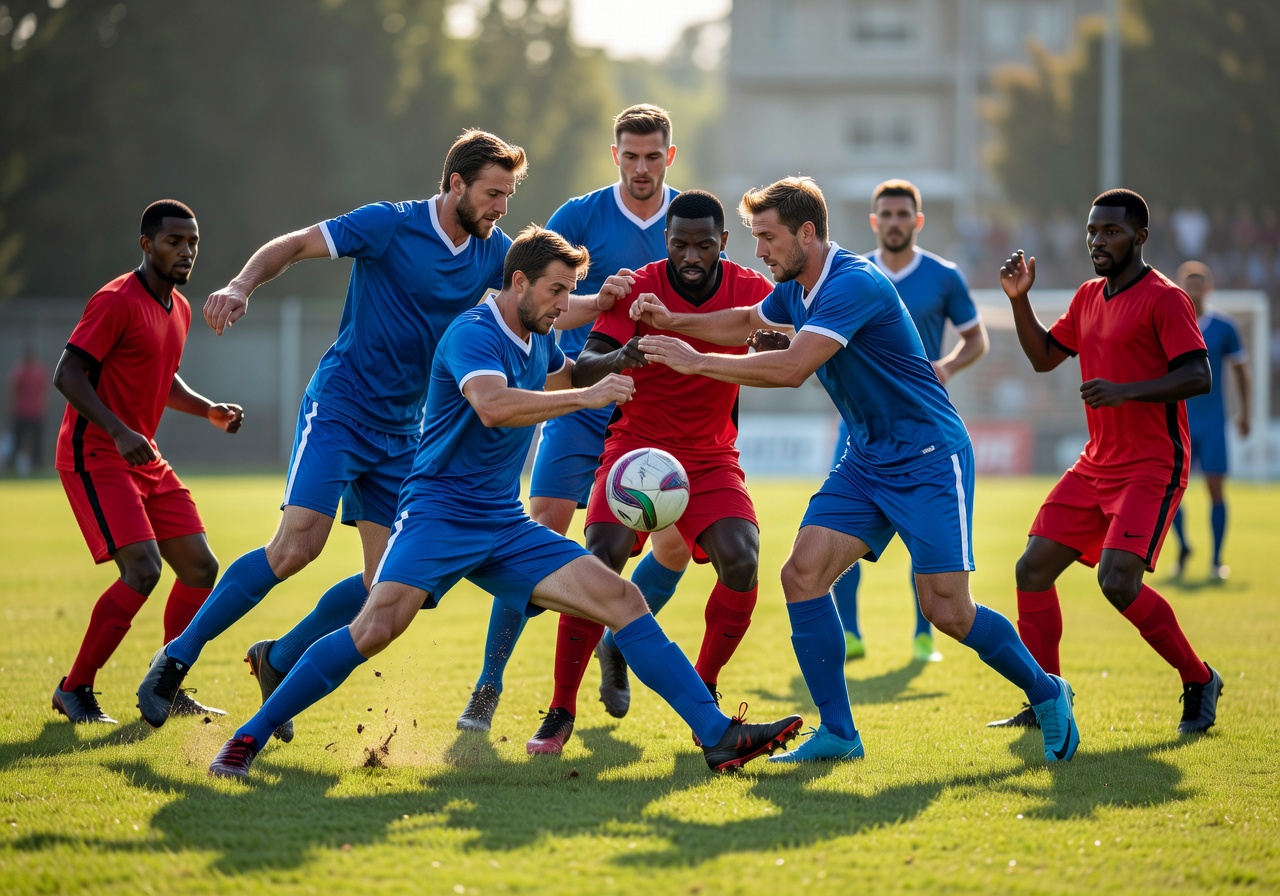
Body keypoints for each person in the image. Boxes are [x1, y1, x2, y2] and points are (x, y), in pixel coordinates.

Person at [206, 226, 802, 779]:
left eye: (570, 292)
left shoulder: (537, 338)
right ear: (519, 282)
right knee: (377, 626)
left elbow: (570, 372)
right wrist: (591, 396)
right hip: (437, 514)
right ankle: (248, 737)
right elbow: (494, 405)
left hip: (503, 523)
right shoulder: (473, 332)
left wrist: (631, 354)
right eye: (556, 292)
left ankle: (717, 735)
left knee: (621, 598)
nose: (562, 305)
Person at [632, 176, 1078, 764]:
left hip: (927, 458)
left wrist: (695, 363)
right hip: (867, 459)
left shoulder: (853, 283)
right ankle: (840, 733)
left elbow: (791, 368)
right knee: (803, 576)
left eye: (767, 237)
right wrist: (672, 321)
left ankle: (1048, 694)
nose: (759, 251)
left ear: (807, 233)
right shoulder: (797, 287)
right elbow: (746, 324)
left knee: (946, 609)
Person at [136, 130, 528, 733]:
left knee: (393, 588)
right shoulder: (387, 224)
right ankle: (173, 661)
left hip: (404, 432)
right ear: (456, 184)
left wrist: (606, 306)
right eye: (494, 193)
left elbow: (542, 300)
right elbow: (292, 245)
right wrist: (240, 285)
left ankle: (280, 658)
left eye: (508, 195)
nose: (502, 207)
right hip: (342, 407)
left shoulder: (493, 252)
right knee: (296, 547)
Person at [456, 104, 692, 733]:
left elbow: (717, 299)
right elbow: (538, 308)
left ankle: (619, 639)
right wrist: (597, 302)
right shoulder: (578, 218)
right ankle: (489, 684)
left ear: (670, 157)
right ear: (614, 154)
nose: (641, 168)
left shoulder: (691, 222)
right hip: (579, 399)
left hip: (657, 416)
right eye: (629, 155)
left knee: (675, 543)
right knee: (539, 530)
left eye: (652, 157)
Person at [524, 190, 776, 754]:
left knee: (743, 561)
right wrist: (622, 355)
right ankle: (562, 709)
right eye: (680, 244)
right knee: (599, 560)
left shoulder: (751, 292)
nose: (691, 255)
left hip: (710, 456)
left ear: (723, 244)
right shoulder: (637, 287)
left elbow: (783, 343)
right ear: (666, 241)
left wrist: (764, 341)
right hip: (636, 449)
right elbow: (584, 364)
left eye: (703, 245)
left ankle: (703, 690)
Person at [992, 189, 1222, 735]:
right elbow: (1045, 358)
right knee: (1031, 569)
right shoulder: (1088, 295)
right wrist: (1019, 301)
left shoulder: (1166, 299)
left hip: (1152, 465)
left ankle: (1199, 678)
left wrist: (1126, 392)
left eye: (1112, 232)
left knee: (1118, 583)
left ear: (1140, 237)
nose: (1098, 241)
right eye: (1093, 230)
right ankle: (1048, 697)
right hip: (1097, 463)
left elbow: (1199, 376)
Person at [52, 199, 244, 724]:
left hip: (144, 457)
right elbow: (67, 375)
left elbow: (161, 376)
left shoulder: (179, 308)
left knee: (202, 568)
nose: (186, 252)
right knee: (142, 570)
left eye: (193, 243)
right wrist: (117, 430)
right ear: (146, 245)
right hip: (95, 453)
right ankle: (74, 688)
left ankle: (168, 680)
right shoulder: (115, 300)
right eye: (173, 241)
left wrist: (208, 410)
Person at [830, 179, 989, 664]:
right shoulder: (852, 275)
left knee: (925, 538)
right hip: (858, 427)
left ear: (917, 221)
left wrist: (948, 366)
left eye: (904, 215)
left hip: (921, 429)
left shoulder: (944, 276)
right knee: (831, 529)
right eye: (887, 215)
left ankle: (924, 635)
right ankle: (851, 634)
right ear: (874, 221)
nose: (895, 222)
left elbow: (976, 339)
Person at [1168, 261, 1250, 582]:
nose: (1195, 285)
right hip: (1177, 421)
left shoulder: (1224, 327)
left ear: (1210, 286)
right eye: (1189, 280)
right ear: (1179, 286)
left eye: (1200, 280)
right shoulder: (1169, 323)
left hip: (1213, 422)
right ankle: (1183, 545)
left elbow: (1241, 370)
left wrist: (1245, 413)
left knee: (1216, 490)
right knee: (1170, 491)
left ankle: (1217, 561)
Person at [7, 344, 49, 476]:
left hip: (36, 411)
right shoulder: (19, 371)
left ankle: (37, 464)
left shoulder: (39, 372)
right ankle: (12, 464)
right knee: (18, 439)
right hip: (22, 410)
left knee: (37, 440)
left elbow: (43, 392)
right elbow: (14, 391)